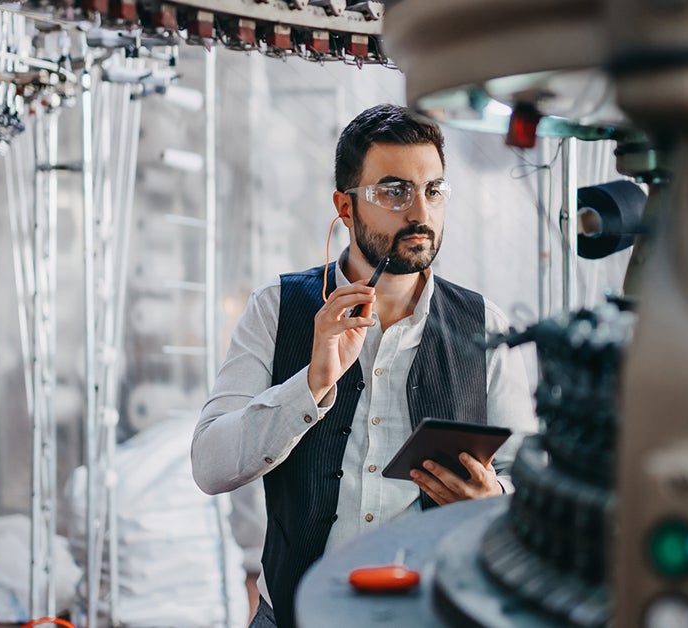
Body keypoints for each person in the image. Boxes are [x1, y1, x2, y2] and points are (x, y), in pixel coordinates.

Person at [191, 103, 537, 628]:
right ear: (345, 208)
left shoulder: (483, 323)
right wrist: (312, 383)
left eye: (433, 190)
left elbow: (530, 482)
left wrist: (495, 499)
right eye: (395, 191)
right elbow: (210, 466)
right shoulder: (277, 308)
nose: (419, 212)